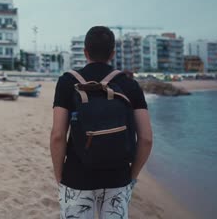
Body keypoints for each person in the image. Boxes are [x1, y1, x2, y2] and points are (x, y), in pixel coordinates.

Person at [50, 26, 153, 219]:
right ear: (113, 53)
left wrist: (60, 176)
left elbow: (57, 136)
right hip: (118, 178)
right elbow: (146, 139)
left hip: (76, 177)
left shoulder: (67, 82)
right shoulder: (129, 84)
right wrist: (131, 176)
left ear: (85, 52)